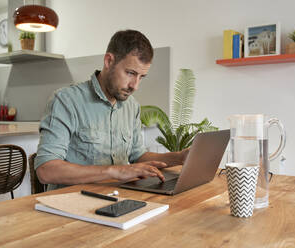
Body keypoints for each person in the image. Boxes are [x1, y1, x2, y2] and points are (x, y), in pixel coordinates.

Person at [35, 29, 189, 190]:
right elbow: (46, 170)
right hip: (72, 205)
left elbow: (138, 156)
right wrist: (114, 171)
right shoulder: (66, 101)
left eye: (141, 77)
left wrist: (179, 157)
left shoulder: (131, 106)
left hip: (117, 198)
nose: (135, 86)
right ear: (109, 61)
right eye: (130, 73)